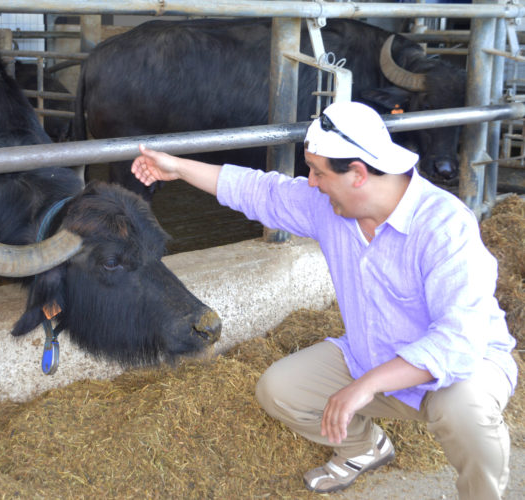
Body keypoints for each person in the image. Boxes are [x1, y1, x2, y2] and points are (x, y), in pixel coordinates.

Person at [131, 101, 518, 499]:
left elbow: (459, 342)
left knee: (463, 412)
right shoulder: (330, 208)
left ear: (358, 174)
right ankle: (364, 448)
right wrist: (177, 167)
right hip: (373, 356)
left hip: (463, 368)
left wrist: (366, 385)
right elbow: (260, 191)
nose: (311, 182)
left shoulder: (445, 224)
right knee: (279, 388)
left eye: (317, 172)